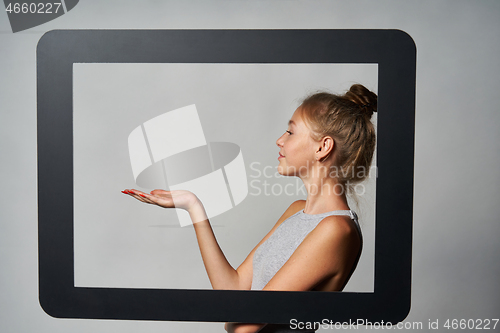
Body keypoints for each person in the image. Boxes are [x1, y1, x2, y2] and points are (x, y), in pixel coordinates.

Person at [122, 84, 377, 333]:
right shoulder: (296, 211)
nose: (279, 140)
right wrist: (194, 206)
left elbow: (244, 327)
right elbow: (232, 290)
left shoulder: (337, 230)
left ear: (323, 147)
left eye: (290, 132)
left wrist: (234, 318)